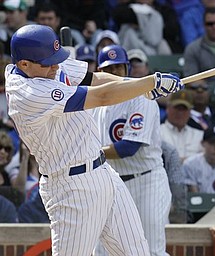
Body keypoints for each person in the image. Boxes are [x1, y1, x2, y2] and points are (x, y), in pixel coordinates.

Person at [5, 24, 183, 255]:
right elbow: (102, 96)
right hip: (71, 186)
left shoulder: (44, 61)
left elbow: (95, 79)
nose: (56, 65)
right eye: (49, 62)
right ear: (24, 64)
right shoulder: (26, 93)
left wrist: (140, 87)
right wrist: (148, 83)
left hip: (104, 172)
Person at [92, 44, 172, 256]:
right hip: (112, 184)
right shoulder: (95, 102)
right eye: (109, 69)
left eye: (119, 68)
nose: (115, 73)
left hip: (146, 181)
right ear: (100, 73)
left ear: (127, 69)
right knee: (103, 252)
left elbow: (129, 147)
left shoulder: (142, 96)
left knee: (151, 250)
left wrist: (91, 154)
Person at [160, 90, 204, 162]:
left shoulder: (199, 135)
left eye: (184, 109)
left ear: (190, 111)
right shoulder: (157, 132)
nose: (180, 113)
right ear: (168, 108)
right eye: (177, 108)